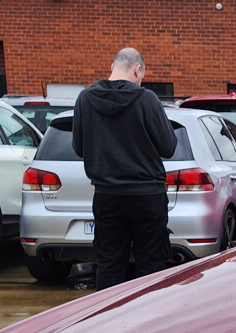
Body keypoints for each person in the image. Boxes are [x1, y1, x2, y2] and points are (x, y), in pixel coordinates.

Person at [72, 47, 177, 290]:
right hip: (147, 196)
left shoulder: (85, 99)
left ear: (113, 67)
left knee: (109, 264)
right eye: (142, 75)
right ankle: (148, 323)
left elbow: (79, 148)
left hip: (107, 195)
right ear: (137, 69)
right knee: (151, 265)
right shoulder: (146, 99)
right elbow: (168, 147)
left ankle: (108, 324)